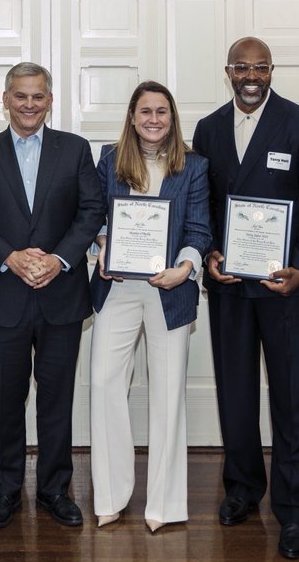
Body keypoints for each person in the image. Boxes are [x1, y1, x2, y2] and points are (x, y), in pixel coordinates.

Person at [192, 37, 299, 560]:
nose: (251, 76)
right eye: (241, 67)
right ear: (227, 70)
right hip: (230, 286)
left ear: (272, 71)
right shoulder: (207, 129)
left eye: (261, 67)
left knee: (293, 398)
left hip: (286, 285)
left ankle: (296, 511)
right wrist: (208, 253)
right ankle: (243, 488)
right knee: (236, 392)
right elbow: (199, 203)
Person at [0, 61, 103, 529]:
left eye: (38, 96)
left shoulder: (75, 150)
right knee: (7, 399)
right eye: (20, 96)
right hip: (3, 295)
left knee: (57, 398)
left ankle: (55, 490)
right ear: (5, 99)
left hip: (61, 294)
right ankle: (5, 491)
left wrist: (58, 260)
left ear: (50, 100)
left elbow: (91, 211)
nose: (29, 104)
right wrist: (11, 256)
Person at [89, 81, 211, 533]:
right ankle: (111, 496)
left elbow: (200, 228)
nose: (154, 119)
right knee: (104, 384)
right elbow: (96, 216)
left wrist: (185, 267)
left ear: (172, 117)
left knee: (167, 393)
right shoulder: (109, 158)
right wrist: (102, 246)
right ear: (132, 116)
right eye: (145, 111)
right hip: (118, 287)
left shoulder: (194, 166)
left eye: (162, 111)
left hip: (170, 290)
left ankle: (163, 503)